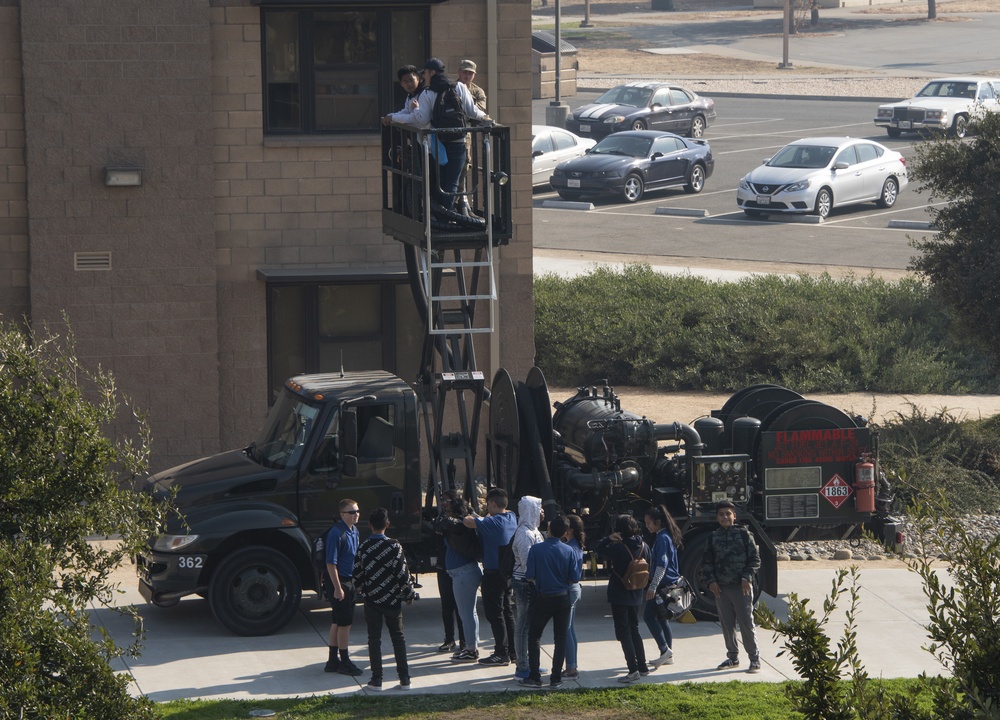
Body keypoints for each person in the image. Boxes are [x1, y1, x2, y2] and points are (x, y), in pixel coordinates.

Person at [383, 57, 489, 212]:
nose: (424, 76)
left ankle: (442, 215)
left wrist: (406, 114)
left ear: (432, 72)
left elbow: (422, 119)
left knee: (439, 180)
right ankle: (448, 213)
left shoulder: (428, 93)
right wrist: (486, 118)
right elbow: (472, 111)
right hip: (459, 139)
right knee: (452, 181)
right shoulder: (459, 86)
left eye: (425, 73)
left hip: (439, 142)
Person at [353, 507, 416, 691]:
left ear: (369, 525)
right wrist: (408, 594)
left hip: (372, 600)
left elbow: (357, 574)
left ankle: (376, 679)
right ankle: (404, 679)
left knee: (374, 639)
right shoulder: (395, 546)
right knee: (398, 638)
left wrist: (364, 590)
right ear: (387, 524)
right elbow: (403, 574)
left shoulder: (364, 547)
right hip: (392, 601)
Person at [521, 515, 580, 688]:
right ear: (564, 532)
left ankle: (534, 676)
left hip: (543, 597)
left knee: (534, 636)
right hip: (563, 597)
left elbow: (529, 575)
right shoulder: (569, 550)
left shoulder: (536, 549)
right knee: (560, 638)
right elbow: (574, 577)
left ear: (549, 529)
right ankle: (556, 678)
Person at [703, 499, 762, 674]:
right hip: (721, 589)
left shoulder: (744, 535)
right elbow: (707, 563)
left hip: (741, 587)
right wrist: (711, 581)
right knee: (727, 625)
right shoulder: (713, 537)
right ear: (717, 518)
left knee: (746, 623)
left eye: (728, 514)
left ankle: (754, 658)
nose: (725, 517)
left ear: (734, 516)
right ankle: (732, 657)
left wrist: (747, 577)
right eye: (721, 514)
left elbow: (755, 559)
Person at [464, 487, 517, 666]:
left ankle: (501, 653)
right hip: (507, 573)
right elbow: (507, 510)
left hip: (493, 574)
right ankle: (513, 650)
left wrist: (480, 516)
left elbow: (467, 521)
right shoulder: (511, 518)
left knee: (495, 615)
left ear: (493, 504)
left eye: (488, 505)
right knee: (507, 611)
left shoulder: (493, 523)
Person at [596, 514, 651, 684]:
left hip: (619, 593)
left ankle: (632, 669)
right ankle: (642, 666)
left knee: (623, 631)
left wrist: (608, 538)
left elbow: (598, 549)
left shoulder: (618, 548)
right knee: (634, 629)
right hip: (637, 593)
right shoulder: (644, 546)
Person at [434, 495, 482, 663]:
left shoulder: (461, 525)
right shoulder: (463, 523)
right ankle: (472, 645)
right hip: (464, 573)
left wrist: (447, 514)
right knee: (470, 612)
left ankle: (470, 649)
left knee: (466, 613)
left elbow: (443, 522)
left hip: (464, 573)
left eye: (448, 506)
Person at [324, 498, 363, 676]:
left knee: (336, 621)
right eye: (352, 512)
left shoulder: (354, 531)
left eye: (357, 511)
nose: (356, 515)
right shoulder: (336, 533)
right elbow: (331, 564)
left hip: (350, 580)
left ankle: (332, 661)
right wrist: (338, 588)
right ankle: (344, 661)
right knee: (345, 624)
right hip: (340, 582)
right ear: (342, 514)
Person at [643, 505, 683, 669]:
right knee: (662, 618)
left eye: (649, 523)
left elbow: (662, 565)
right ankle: (667, 654)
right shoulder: (666, 536)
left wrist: (653, 587)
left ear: (658, 522)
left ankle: (664, 649)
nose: (647, 526)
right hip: (669, 584)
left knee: (648, 617)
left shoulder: (662, 538)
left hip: (662, 585)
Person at [511, 495, 544, 680]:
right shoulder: (524, 534)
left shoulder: (535, 531)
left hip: (532, 583)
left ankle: (532, 664)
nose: (541, 512)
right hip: (524, 583)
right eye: (538, 508)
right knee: (522, 626)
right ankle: (521, 666)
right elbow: (526, 565)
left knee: (531, 627)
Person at [433, 490, 466, 654]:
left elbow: (459, 528)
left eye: (446, 500)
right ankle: (449, 639)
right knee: (447, 604)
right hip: (443, 566)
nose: (444, 504)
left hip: (459, 567)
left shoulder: (462, 519)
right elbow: (439, 527)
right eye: (442, 500)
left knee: (461, 605)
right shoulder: (441, 518)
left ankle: (464, 640)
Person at [456, 59, 486, 216]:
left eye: (470, 73)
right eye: (464, 72)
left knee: (464, 165)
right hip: (449, 132)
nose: (467, 75)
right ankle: (455, 201)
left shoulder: (477, 91)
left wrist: (466, 105)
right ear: (459, 72)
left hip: (465, 134)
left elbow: (478, 109)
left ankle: (462, 201)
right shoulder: (451, 88)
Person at [562, 514, 586, 679]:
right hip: (575, 588)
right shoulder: (576, 545)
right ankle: (572, 665)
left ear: (569, 530)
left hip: (569, 588)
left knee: (566, 629)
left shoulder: (569, 548)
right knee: (570, 628)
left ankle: (571, 668)